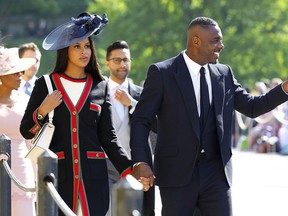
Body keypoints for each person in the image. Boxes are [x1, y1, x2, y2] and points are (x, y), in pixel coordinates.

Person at [130, 16, 288, 216]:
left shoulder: (224, 73)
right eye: (215, 40)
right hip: (176, 174)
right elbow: (141, 120)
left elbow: (252, 107)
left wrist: (284, 88)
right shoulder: (163, 73)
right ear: (196, 41)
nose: (221, 45)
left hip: (216, 175)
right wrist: (141, 162)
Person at [20, 12, 133, 216]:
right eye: (77, 46)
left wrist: (129, 170)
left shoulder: (101, 86)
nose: (84, 52)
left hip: (95, 182)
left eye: (87, 46)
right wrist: (43, 110)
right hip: (57, 180)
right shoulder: (45, 84)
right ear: (65, 51)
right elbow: (26, 131)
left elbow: (109, 138)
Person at [104, 40, 155, 216]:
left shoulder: (141, 94)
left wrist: (132, 103)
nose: (122, 64)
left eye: (126, 60)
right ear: (107, 63)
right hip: (105, 165)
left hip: (137, 165)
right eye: (117, 60)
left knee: (138, 211)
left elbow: (156, 124)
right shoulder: (97, 92)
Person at [0, 46, 37, 216]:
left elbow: (31, 141)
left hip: (22, 171)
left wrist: (38, 176)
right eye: (15, 72)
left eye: (21, 72)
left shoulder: (26, 101)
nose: (20, 76)